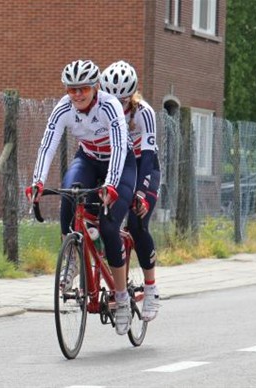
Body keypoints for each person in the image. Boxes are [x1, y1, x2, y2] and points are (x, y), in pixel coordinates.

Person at [26, 59, 137, 335]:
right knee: (69, 192)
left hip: (119, 162)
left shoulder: (109, 106)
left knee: (110, 226)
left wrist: (111, 185)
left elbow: (121, 146)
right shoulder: (64, 107)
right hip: (88, 158)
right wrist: (37, 182)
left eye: (83, 89)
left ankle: (121, 298)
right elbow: (48, 143)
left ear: (95, 87)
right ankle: (73, 258)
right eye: (71, 89)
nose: (77, 94)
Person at [100, 60, 161, 321]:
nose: (117, 106)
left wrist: (141, 192)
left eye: (123, 101)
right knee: (100, 220)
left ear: (131, 96)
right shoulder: (101, 109)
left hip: (142, 166)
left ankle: (151, 288)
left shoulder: (144, 113)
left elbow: (147, 157)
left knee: (137, 226)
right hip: (116, 164)